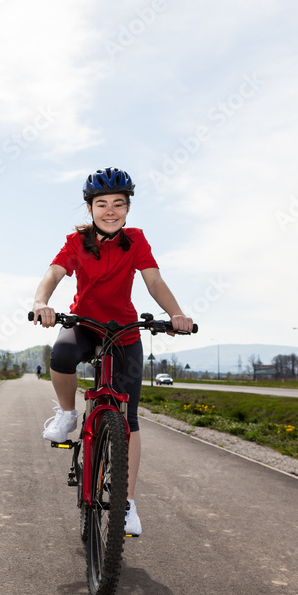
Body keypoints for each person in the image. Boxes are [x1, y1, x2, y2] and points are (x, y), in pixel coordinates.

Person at [30, 167, 193, 536]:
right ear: (89, 208)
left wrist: (176, 314)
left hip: (124, 332)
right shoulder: (77, 242)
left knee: (129, 419)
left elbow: (153, 280)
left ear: (128, 208)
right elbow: (54, 273)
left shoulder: (135, 241)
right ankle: (69, 414)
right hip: (85, 324)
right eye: (101, 204)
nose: (110, 211)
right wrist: (42, 302)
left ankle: (127, 503)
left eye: (118, 204)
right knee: (60, 356)